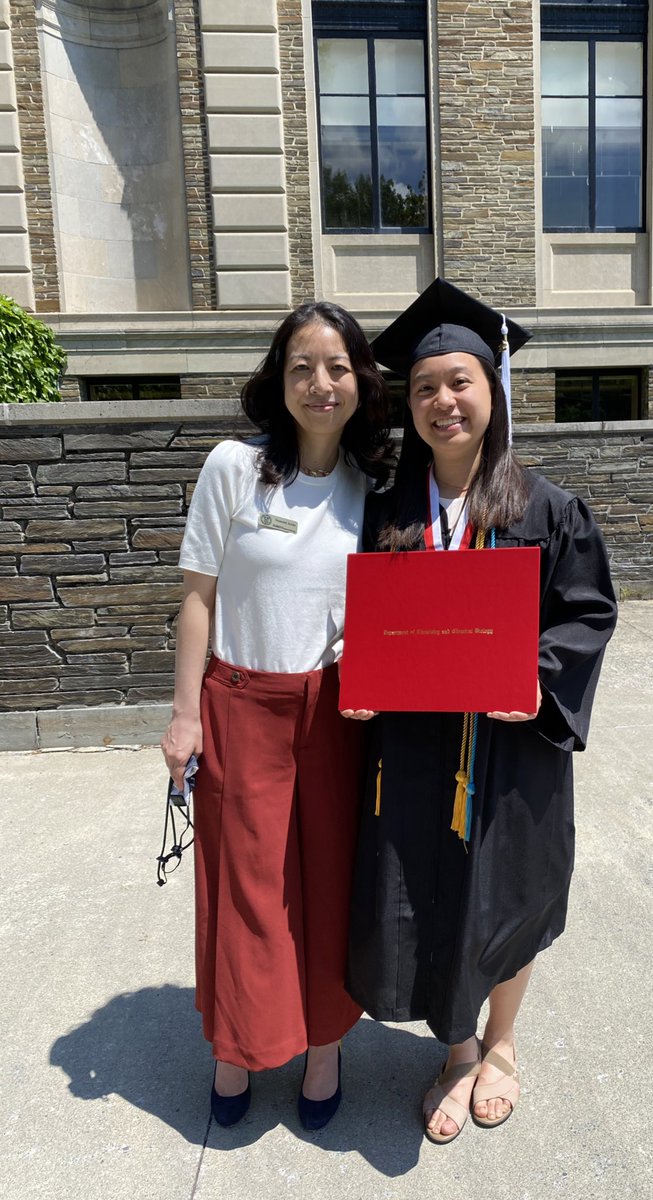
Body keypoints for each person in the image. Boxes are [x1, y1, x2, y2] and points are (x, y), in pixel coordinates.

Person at [341, 279, 617, 1143]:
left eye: (458, 381)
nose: (441, 401)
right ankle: (456, 1053)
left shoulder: (546, 507)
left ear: (491, 390)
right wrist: (354, 671)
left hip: (510, 747)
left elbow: (587, 613)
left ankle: (500, 1045)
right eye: (424, 388)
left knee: (508, 895)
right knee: (425, 889)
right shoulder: (385, 507)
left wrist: (535, 678)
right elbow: (352, 614)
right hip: (416, 747)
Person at [160, 302, 393, 1130]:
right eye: (302, 367)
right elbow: (198, 598)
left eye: (336, 367)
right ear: (278, 378)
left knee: (329, 887)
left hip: (336, 714)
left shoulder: (374, 489)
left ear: (360, 382)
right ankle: (235, 1049)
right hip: (240, 703)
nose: (319, 383)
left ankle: (324, 1049)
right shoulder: (233, 467)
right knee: (245, 891)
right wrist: (184, 715)